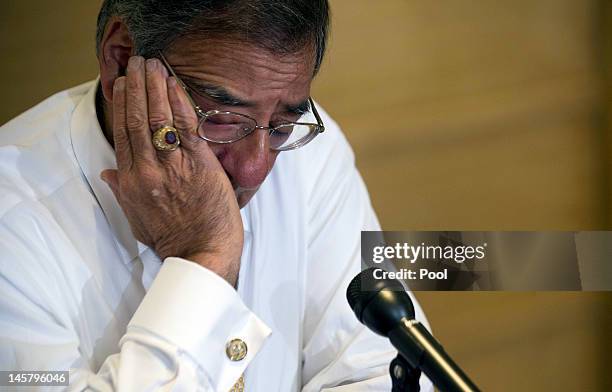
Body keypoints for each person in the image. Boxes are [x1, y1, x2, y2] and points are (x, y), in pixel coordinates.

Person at [0, 1, 431, 390]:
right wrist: (205, 260)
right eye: (223, 118)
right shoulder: (11, 221)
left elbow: (378, 368)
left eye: (281, 126)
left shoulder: (314, 152)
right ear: (121, 60)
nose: (255, 167)